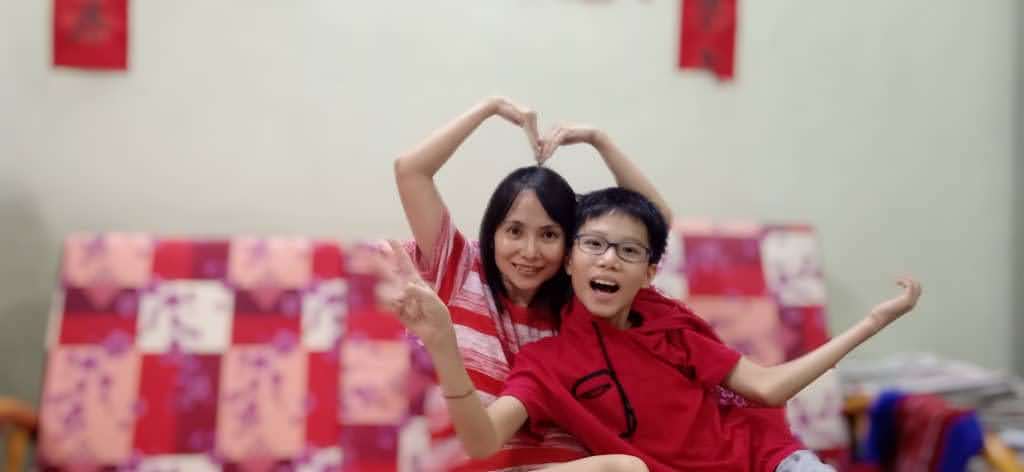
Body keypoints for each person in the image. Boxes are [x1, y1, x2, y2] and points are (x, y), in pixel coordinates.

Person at [377, 187, 923, 472]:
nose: (609, 260)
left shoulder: (667, 321)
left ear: (649, 272)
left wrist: (872, 323)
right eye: (594, 245)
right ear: (568, 260)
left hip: (770, 462)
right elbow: (481, 438)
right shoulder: (545, 364)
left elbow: (768, 387)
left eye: (628, 252)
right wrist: (445, 345)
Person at [392, 97, 671, 469]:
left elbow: (654, 227)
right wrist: (489, 108)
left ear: (570, 248)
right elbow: (410, 171)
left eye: (549, 235)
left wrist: (599, 140)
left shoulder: (582, 298)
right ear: (492, 234)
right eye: (514, 231)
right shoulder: (461, 270)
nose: (529, 251)